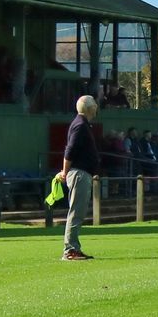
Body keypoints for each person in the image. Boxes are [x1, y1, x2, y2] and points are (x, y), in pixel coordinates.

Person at [57, 96, 101, 261]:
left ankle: (73, 248)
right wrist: (64, 171)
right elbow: (70, 150)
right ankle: (70, 250)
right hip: (79, 174)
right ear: (89, 108)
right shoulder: (80, 125)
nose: (96, 107)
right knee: (76, 212)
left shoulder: (82, 124)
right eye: (94, 105)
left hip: (83, 173)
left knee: (78, 212)